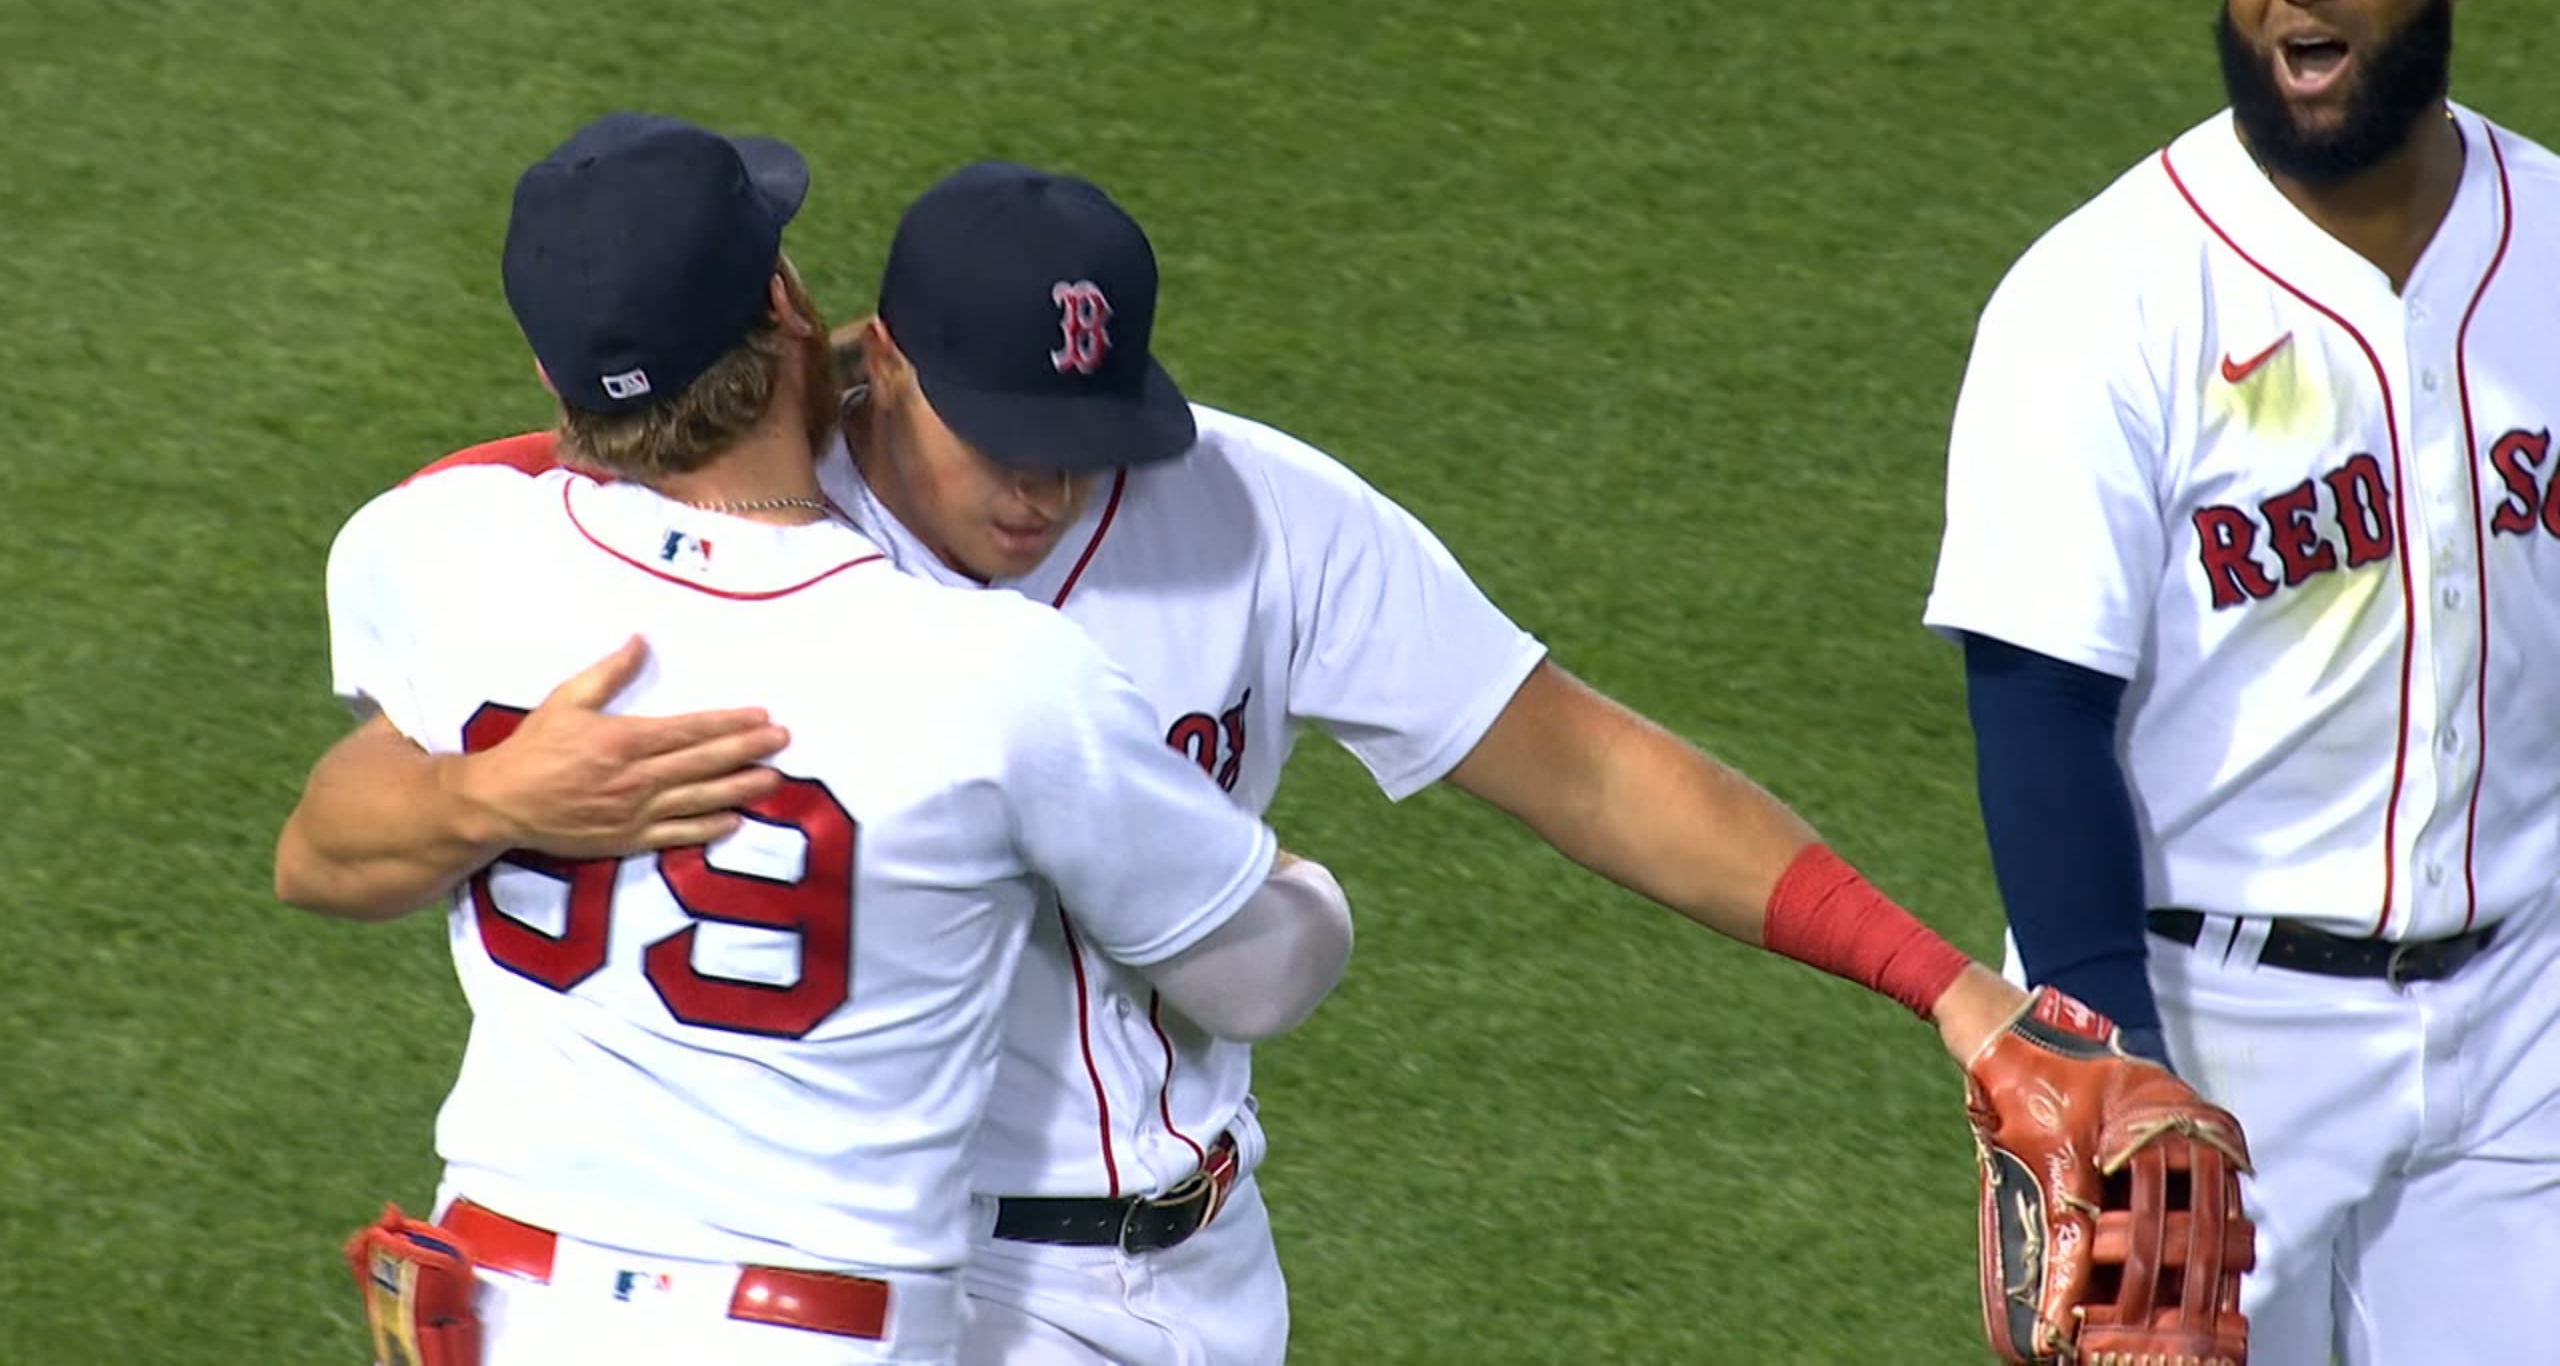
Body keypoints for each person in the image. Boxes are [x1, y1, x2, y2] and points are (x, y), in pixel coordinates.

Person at [285, 158, 2233, 1365]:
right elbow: (346, 811)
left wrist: (1955, 996)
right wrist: (472, 798)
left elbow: (1579, 766)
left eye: (1093, 429)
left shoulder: (1256, 514)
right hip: (904, 1291)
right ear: (854, 355)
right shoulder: (620, 551)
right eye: (1001, 439)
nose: (1051, 483)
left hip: (1185, 1283)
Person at [276, 112, 1355, 1366]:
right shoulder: (992, 675)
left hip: (502, 1305)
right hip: (798, 1336)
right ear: (787, 306)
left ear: (549, 377)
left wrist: (493, 797)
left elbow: (316, 852)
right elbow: (1257, 977)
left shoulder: (437, 550)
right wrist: (1285, 876)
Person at [1923, 0, 2557, 1363]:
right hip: (2210, 1028)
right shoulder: (2101, 300)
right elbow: (2035, 712)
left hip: (2528, 1019)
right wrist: (2109, 1069)